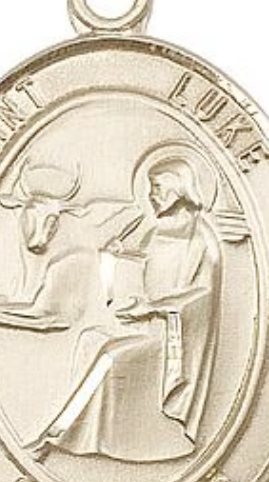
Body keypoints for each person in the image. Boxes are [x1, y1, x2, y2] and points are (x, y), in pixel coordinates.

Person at [27, 155, 222, 463]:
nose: (151, 195)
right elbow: (135, 270)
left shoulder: (202, 239)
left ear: (178, 189)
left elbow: (203, 295)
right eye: (149, 187)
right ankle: (92, 436)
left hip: (171, 339)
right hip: (142, 324)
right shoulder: (153, 233)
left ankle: (54, 436)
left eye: (157, 187)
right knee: (90, 340)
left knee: (110, 354)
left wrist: (154, 308)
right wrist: (114, 256)